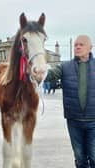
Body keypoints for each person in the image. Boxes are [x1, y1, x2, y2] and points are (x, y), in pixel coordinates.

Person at [46, 35, 95, 168]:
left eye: (81, 44)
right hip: (74, 120)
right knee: (80, 158)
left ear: (90, 47)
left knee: (94, 156)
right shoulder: (64, 66)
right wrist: (35, 69)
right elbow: (48, 75)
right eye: (75, 45)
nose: (77, 47)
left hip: (93, 121)